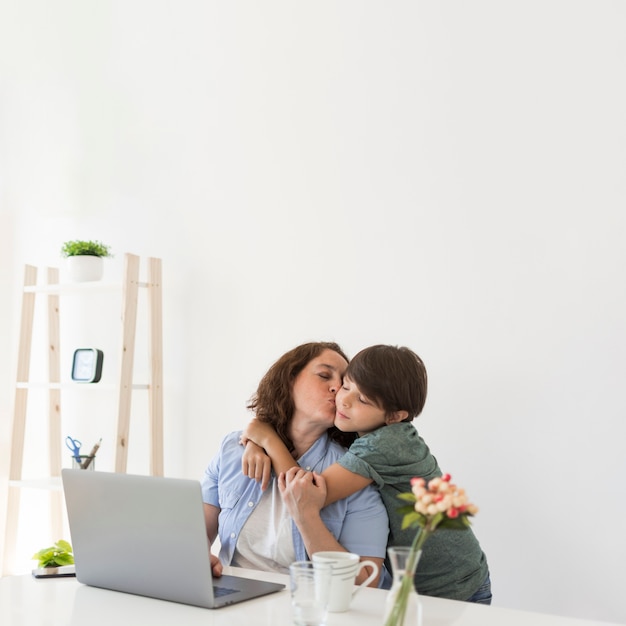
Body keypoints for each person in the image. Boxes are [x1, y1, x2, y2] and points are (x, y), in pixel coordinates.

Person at [241, 344, 492, 603]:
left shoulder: (384, 445)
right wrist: (254, 442)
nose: (343, 399)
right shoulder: (373, 437)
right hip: (426, 583)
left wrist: (268, 439)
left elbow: (309, 492)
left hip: (455, 585)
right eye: (347, 386)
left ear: (395, 416)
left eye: (362, 399)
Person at [201, 341, 389, 587]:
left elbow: (367, 582)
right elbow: (197, 534)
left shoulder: (354, 473)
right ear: (289, 379)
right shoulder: (233, 450)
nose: (337, 389)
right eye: (324, 375)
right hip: (231, 600)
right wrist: (199, 555)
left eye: (344, 384)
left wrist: (307, 517)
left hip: (306, 610)